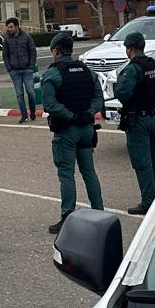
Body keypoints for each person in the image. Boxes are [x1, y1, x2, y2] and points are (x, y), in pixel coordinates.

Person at [39, 31, 104, 234]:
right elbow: (98, 97)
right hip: (86, 129)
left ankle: (67, 216)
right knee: (89, 172)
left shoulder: (52, 74)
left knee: (67, 174)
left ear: (56, 51)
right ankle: (99, 212)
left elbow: (50, 104)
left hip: (67, 131)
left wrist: (72, 116)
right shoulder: (87, 71)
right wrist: (88, 114)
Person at [114, 31, 155, 215]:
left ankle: (148, 202)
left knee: (142, 162)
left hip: (140, 120)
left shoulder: (133, 69)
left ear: (130, 49)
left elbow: (122, 92)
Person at [2, 16, 39, 123]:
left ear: (17, 26)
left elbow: (33, 51)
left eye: (11, 27)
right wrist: (9, 68)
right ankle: (24, 115)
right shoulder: (7, 39)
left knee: (31, 93)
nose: (9, 29)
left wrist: (31, 66)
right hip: (15, 71)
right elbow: (5, 55)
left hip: (27, 70)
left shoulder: (26, 37)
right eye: (8, 27)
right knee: (19, 94)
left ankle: (32, 112)